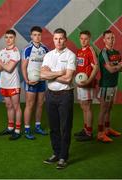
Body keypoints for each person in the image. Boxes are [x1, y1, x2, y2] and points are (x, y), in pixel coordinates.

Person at [41, 28, 76, 169]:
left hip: (65, 96)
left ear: (65, 39)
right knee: (54, 127)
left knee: (65, 127)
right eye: (56, 38)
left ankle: (63, 157)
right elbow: (42, 75)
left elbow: (68, 79)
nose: (58, 41)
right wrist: (59, 72)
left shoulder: (70, 55)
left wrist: (51, 74)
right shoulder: (48, 55)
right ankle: (56, 153)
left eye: (61, 38)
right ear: (53, 39)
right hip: (50, 95)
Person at [21, 26, 49, 140]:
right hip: (31, 81)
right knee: (30, 105)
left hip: (42, 80)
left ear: (41, 36)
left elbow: (47, 65)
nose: (37, 37)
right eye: (35, 35)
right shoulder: (27, 49)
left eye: (39, 35)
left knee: (40, 104)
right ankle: (27, 129)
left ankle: (38, 126)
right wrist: (27, 80)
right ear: (31, 36)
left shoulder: (45, 49)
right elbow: (23, 66)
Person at [97, 30, 122, 142]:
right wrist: (117, 66)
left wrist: (116, 67)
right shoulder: (104, 53)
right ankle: (100, 133)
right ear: (104, 40)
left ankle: (107, 129)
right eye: (108, 38)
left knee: (110, 107)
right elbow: (111, 70)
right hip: (106, 85)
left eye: (112, 38)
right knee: (103, 109)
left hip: (114, 84)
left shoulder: (116, 53)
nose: (111, 40)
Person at [0, 29, 22, 140]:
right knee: (8, 106)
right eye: (6, 37)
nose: (8, 39)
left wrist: (2, 63)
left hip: (13, 84)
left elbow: (10, 68)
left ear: (14, 38)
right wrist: (3, 65)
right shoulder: (1, 51)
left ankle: (17, 130)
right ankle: (10, 128)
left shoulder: (15, 52)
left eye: (10, 37)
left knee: (16, 107)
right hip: (3, 83)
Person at [74, 30, 98, 141]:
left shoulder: (90, 50)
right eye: (81, 38)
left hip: (87, 84)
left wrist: (88, 81)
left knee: (87, 107)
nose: (83, 41)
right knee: (82, 106)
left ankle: (89, 133)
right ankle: (85, 129)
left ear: (89, 39)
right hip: (80, 83)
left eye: (86, 39)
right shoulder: (79, 51)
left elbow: (96, 67)